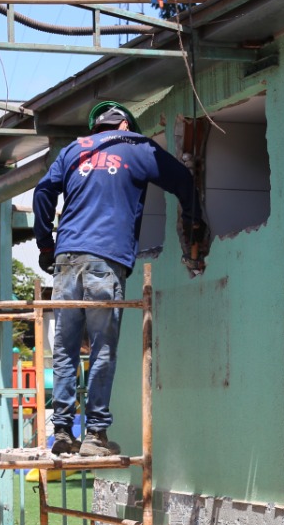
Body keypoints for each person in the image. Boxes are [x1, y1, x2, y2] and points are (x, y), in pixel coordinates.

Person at [33, 101, 209, 456]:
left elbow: (42, 192)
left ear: (95, 127)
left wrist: (45, 244)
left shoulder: (73, 151)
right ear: (126, 124)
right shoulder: (136, 148)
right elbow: (182, 181)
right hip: (106, 260)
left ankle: (63, 433)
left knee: (65, 348)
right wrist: (194, 224)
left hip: (66, 261)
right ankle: (95, 435)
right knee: (101, 349)